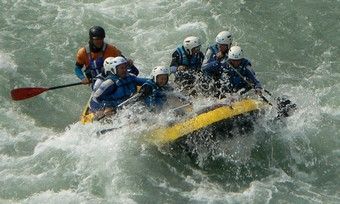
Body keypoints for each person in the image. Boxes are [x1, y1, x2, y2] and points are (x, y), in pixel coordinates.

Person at [74, 26, 139, 86]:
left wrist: (128, 62)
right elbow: (77, 68)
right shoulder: (83, 52)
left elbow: (123, 61)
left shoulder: (112, 49)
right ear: (91, 39)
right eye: (96, 39)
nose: (99, 41)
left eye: (101, 38)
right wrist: (83, 78)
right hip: (97, 83)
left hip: (113, 80)